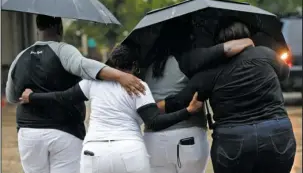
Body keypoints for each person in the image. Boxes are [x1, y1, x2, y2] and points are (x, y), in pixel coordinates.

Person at [19, 44, 204, 173]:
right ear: (134, 65)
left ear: (112, 64)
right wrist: (187, 111)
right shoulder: (138, 86)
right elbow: (154, 121)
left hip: (94, 152)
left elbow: (62, 97)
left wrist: (32, 97)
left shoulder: (92, 83)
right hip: (130, 151)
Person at [5, 14, 145, 173]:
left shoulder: (20, 57)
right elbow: (85, 66)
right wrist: (121, 75)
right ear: (59, 27)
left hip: (28, 133)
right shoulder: (62, 50)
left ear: (38, 28)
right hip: (64, 132)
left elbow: (11, 97)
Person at [158, 19, 296, 173]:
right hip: (276, 132)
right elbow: (284, 74)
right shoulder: (266, 54)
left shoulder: (210, 70)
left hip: (233, 139)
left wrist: (151, 106)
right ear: (246, 36)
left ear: (218, 41)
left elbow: (180, 101)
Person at [142, 19, 255, 173]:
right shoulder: (189, 58)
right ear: (186, 37)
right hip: (186, 137)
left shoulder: (148, 64)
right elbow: (227, 48)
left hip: (152, 140)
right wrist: (248, 41)